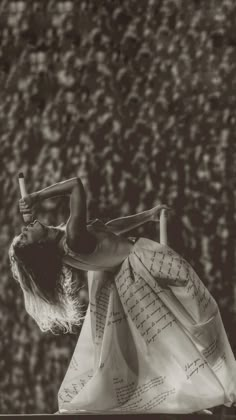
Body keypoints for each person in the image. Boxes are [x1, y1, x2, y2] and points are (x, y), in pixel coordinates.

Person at [9, 177, 236, 415]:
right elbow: (76, 185)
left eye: (22, 232)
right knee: (196, 315)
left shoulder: (69, 237)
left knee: (177, 330)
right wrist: (36, 197)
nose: (24, 229)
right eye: (24, 236)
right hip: (142, 263)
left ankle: (191, 390)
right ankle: (203, 387)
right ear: (40, 248)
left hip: (131, 273)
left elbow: (108, 228)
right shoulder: (73, 238)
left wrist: (148, 215)